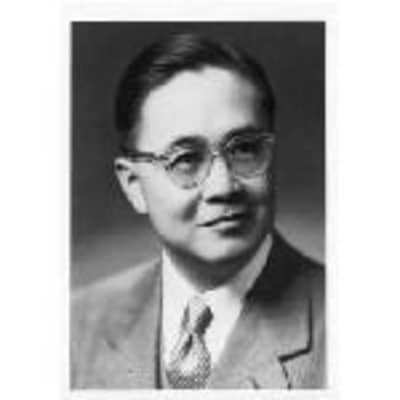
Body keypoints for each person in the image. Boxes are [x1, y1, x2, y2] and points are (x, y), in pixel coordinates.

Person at [71, 33, 325, 389]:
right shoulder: (74, 325)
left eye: (245, 149)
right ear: (134, 185)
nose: (223, 187)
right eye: (186, 159)